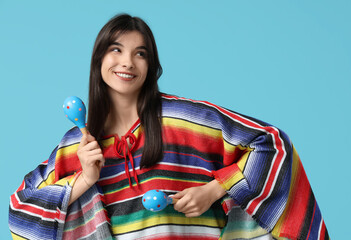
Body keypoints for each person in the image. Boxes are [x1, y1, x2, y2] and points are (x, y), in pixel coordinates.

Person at [9, 14, 329, 240]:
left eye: (140, 54)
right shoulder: (76, 146)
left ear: (152, 66)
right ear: (98, 60)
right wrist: (85, 179)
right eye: (116, 49)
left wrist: (213, 189)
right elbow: (21, 209)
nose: (127, 62)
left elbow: (271, 144)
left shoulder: (187, 121)